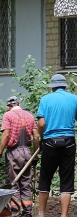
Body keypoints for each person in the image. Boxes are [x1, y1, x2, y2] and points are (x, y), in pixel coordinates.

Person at [37, 74, 77, 217]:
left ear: (52, 86)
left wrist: (42, 139)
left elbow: (41, 124)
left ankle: (41, 214)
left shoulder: (45, 99)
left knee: (45, 179)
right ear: (65, 86)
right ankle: (64, 215)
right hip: (69, 142)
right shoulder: (74, 99)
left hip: (50, 142)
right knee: (66, 180)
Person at [0, 96, 39, 217]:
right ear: (19, 104)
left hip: (14, 153)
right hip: (27, 153)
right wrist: (35, 156)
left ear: (8, 106)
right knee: (25, 183)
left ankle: (16, 213)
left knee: (13, 183)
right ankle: (27, 212)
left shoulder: (8, 115)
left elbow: (6, 134)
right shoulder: (29, 116)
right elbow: (36, 137)